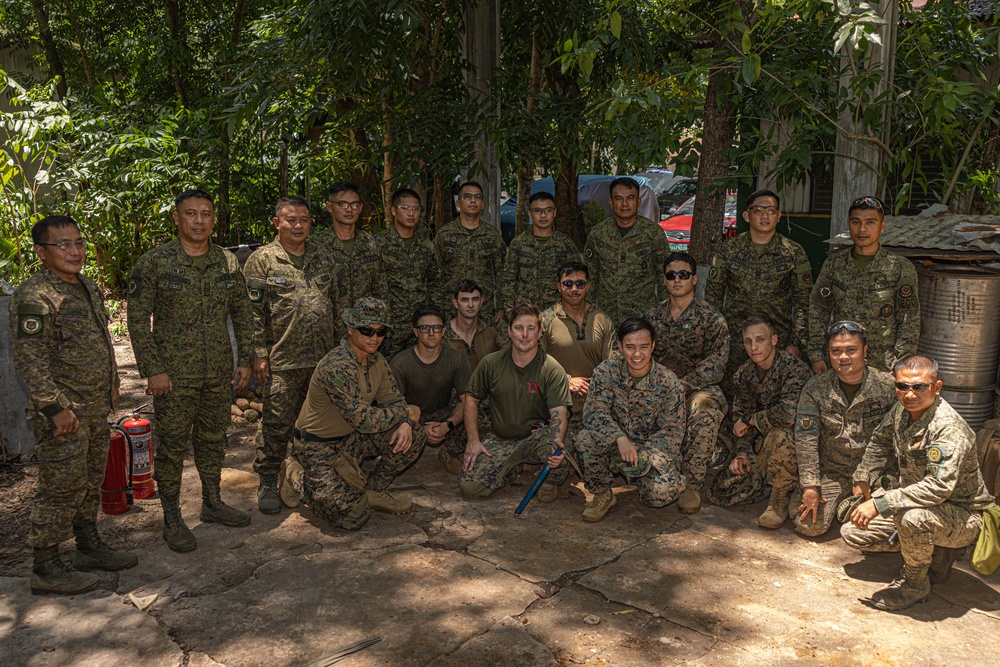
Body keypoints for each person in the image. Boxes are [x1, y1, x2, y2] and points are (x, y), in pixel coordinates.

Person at [9, 215, 135, 595]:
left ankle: (87, 546)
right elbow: (30, 360)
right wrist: (54, 408)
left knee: (89, 481)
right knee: (60, 488)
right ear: (41, 252)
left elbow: (98, 342)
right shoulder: (35, 296)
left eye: (78, 242)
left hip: (94, 406)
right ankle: (45, 567)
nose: (74, 251)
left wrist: (113, 384)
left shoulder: (86, 287)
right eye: (63, 244)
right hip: (65, 415)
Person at [128, 190, 254, 553]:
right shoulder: (154, 263)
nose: (199, 221)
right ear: (177, 218)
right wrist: (153, 370)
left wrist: (244, 358)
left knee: (214, 439)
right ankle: (172, 518)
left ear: (214, 219)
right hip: (173, 377)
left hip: (217, 372)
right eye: (191, 214)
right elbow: (138, 320)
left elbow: (242, 314)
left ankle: (212, 503)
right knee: (170, 447)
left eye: (206, 214)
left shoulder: (227, 263)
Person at [842, 354, 996, 611]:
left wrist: (881, 503)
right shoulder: (902, 411)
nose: (910, 394)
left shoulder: (948, 428)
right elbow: (880, 442)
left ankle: (915, 584)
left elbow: (938, 488)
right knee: (854, 532)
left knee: (913, 520)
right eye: (902, 386)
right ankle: (934, 554)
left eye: (919, 386)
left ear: (937, 388)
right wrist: (864, 475)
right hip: (919, 502)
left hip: (962, 514)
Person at [288, 298, 425, 529]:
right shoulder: (336, 367)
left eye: (380, 332)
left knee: (414, 434)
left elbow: (392, 399)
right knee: (352, 516)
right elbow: (364, 419)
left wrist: (406, 423)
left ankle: (373, 490)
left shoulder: (377, 361)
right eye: (366, 331)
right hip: (318, 446)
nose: (374, 338)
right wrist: (406, 412)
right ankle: (295, 474)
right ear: (350, 329)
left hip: (352, 437)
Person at [243, 196, 337, 514]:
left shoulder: (323, 257)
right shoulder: (262, 260)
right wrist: (258, 354)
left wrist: (340, 353)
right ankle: (268, 479)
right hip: (282, 359)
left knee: (318, 422)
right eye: (290, 220)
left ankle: (307, 473)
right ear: (277, 223)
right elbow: (251, 315)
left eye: (304, 220)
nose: (298, 226)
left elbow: (335, 307)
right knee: (276, 423)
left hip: (322, 359)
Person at [577, 318, 687, 522]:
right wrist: (619, 438)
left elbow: (672, 431)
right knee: (585, 439)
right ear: (619, 346)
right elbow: (594, 412)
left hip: (650, 452)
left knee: (658, 496)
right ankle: (603, 494)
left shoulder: (669, 382)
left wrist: (645, 458)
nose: (637, 354)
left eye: (644, 347)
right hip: (616, 446)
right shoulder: (605, 372)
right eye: (630, 347)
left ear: (653, 346)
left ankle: (676, 481)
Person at [458, 301, 571, 501]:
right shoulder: (490, 363)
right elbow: (470, 399)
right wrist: (473, 441)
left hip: (537, 436)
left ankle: (550, 481)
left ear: (539, 333)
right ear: (509, 331)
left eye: (530, 329)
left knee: (561, 449)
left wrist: (557, 440)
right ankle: (514, 467)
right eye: (519, 328)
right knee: (470, 488)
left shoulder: (552, 369)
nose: (524, 335)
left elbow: (558, 411)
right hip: (501, 438)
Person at [706, 317, 812, 528]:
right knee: (721, 491)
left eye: (760, 339)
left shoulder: (795, 370)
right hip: (761, 445)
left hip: (795, 446)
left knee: (778, 435)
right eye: (748, 341)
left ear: (774, 339)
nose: (754, 347)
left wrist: (751, 420)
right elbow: (739, 418)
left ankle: (780, 495)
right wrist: (742, 452)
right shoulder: (744, 374)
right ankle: (767, 480)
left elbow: (789, 414)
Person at [643, 252, 729, 514]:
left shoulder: (710, 317)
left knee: (705, 412)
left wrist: (686, 384)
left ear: (694, 279)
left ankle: (692, 484)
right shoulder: (652, 317)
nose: (676, 280)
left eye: (683, 275)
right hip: (661, 389)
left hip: (699, 389)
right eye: (671, 275)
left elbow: (718, 360)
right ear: (664, 280)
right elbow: (640, 355)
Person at [704, 189, 812, 394]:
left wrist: (796, 343)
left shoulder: (793, 251)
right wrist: (716, 338)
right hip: (736, 339)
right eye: (758, 210)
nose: (765, 215)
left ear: (779, 216)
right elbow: (714, 296)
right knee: (733, 393)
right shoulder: (729, 249)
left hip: (776, 338)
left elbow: (803, 301)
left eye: (771, 210)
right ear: (747, 215)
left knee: (775, 393)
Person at [794, 321, 896, 537]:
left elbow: (890, 440)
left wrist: (865, 476)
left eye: (851, 350)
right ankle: (845, 507)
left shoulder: (887, 387)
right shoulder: (815, 388)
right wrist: (810, 485)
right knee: (809, 526)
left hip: (876, 474)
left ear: (865, 351)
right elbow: (806, 439)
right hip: (833, 471)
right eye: (836, 351)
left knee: (876, 526)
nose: (843, 357)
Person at [808, 196, 920, 374]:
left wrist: (902, 362)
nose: (862, 229)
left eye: (870, 222)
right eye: (856, 222)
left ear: (882, 227)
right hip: (842, 362)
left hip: (884, 365)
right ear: (849, 225)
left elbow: (909, 319)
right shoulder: (834, 264)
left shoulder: (899, 267)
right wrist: (816, 354)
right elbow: (818, 310)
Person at [391, 304, 473, 475]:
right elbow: (392, 408)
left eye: (436, 327)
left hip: (443, 413)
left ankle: (451, 453)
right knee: (388, 432)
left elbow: (467, 400)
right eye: (425, 328)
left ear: (443, 331)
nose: (431, 333)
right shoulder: (400, 363)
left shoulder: (456, 359)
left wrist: (447, 425)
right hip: (411, 417)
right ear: (416, 332)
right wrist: (419, 429)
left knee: (478, 416)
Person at [583, 177, 667, 327]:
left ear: (639, 202)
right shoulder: (598, 233)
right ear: (611, 202)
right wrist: (587, 315)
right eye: (618, 199)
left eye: (630, 198)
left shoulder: (653, 233)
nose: (624, 204)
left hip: (643, 317)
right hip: (607, 318)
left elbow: (663, 276)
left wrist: (663, 316)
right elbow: (591, 277)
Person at [540, 262, 615, 420]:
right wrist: (566, 381)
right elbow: (534, 364)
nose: (574, 289)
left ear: (587, 287)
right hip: (556, 407)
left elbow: (611, 366)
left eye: (580, 284)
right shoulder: (544, 321)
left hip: (594, 407)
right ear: (559, 287)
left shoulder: (602, 320)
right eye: (568, 284)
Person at [376, 188, 443, 359]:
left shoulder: (426, 246)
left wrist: (434, 319)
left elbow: (435, 283)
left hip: (419, 327)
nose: (411, 213)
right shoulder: (378, 244)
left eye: (415, 209)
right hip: (390, 328)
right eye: (405, 208)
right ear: (393, 210)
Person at [314, 181, 384, 340]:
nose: (349, 209)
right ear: (329, 207)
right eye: (342, 204)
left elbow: (380, 289)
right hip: (329, 335)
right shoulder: (316, 246)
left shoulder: (370, 243)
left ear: (360, 208)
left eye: (354, 205)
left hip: (366, 333)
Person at [500, 191, 581, 316]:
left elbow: (576, 281)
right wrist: (511, 313)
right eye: (537, 211)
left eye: (548, 210)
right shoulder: (518, 243)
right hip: (525, 313)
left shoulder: (565, 244)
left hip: (557, 313)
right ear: (530, 214)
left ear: (554, 212)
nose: (543, 215)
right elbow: (508, 281)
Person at [435, 181, 506, 318]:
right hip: (450, 311)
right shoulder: (445, 235)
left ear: (483, 203)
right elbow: (434, 275)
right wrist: (437, 309)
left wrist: (501, 308)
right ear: (458, 203)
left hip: (484, 310)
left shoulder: (492, 236)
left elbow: (502, 275)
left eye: (477, 197)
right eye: (467, 197)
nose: (473, 200)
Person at [443, 279, 510, 372]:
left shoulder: (494, 324)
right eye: (465, 300)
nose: (470, 305)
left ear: (481, 302)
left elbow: (515, 352)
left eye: (475, 299)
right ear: (455, 303)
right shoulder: (442, 333)